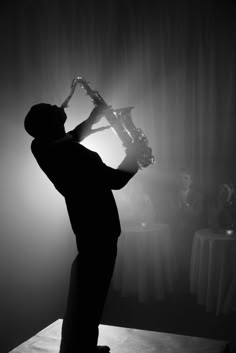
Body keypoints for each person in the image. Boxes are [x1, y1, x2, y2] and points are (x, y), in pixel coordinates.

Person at [24, 103, 141, 353]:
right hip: (101, 228)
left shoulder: (41, 145)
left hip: (85, 226)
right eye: (52, 109)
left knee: (84, 291)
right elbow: (117, 181)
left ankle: (78, 347)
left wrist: (90, 119)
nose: (59, 105)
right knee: (92, 296)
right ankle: (81, 350)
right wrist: (135, 154)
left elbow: (69, 137)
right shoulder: (76, 156)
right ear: (53, 124)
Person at [168, 169, 206, 292]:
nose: (183, 180)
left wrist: (184, 205)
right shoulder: (172, 195)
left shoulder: (198, 196)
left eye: (186, 178)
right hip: (176, 231)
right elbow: (170, 214)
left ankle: (192, 282)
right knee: (178, 257)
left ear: (191, 181)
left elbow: (197, 215)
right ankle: (179, 282)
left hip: (191, 232)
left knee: (191, 258)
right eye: (181, 178)